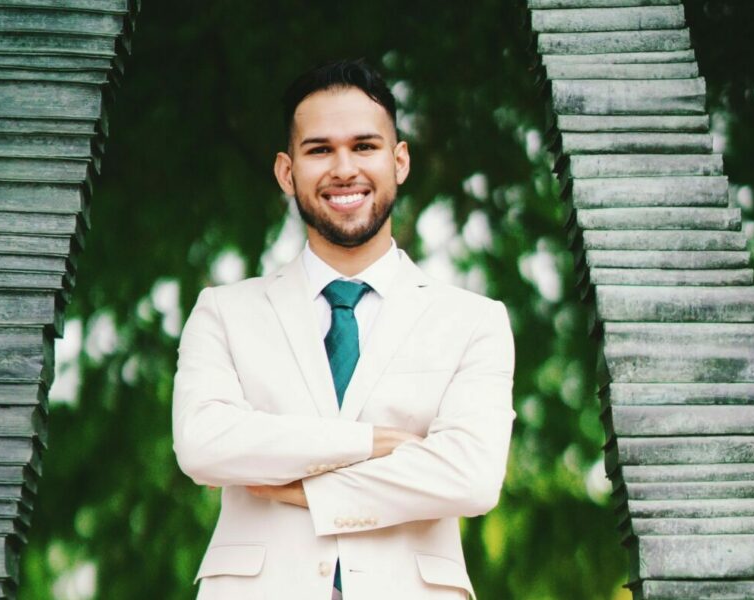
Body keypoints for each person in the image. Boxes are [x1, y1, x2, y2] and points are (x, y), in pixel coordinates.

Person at [172, 59, 516, 600]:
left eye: (364, 146)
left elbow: (470, 477)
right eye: (319, 150)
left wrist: (309, 491)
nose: (344, 169)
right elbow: (204, 445)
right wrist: (373, 442)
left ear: (399, 160)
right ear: (287, 172)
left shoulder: (474, 321)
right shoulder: (223, 312)